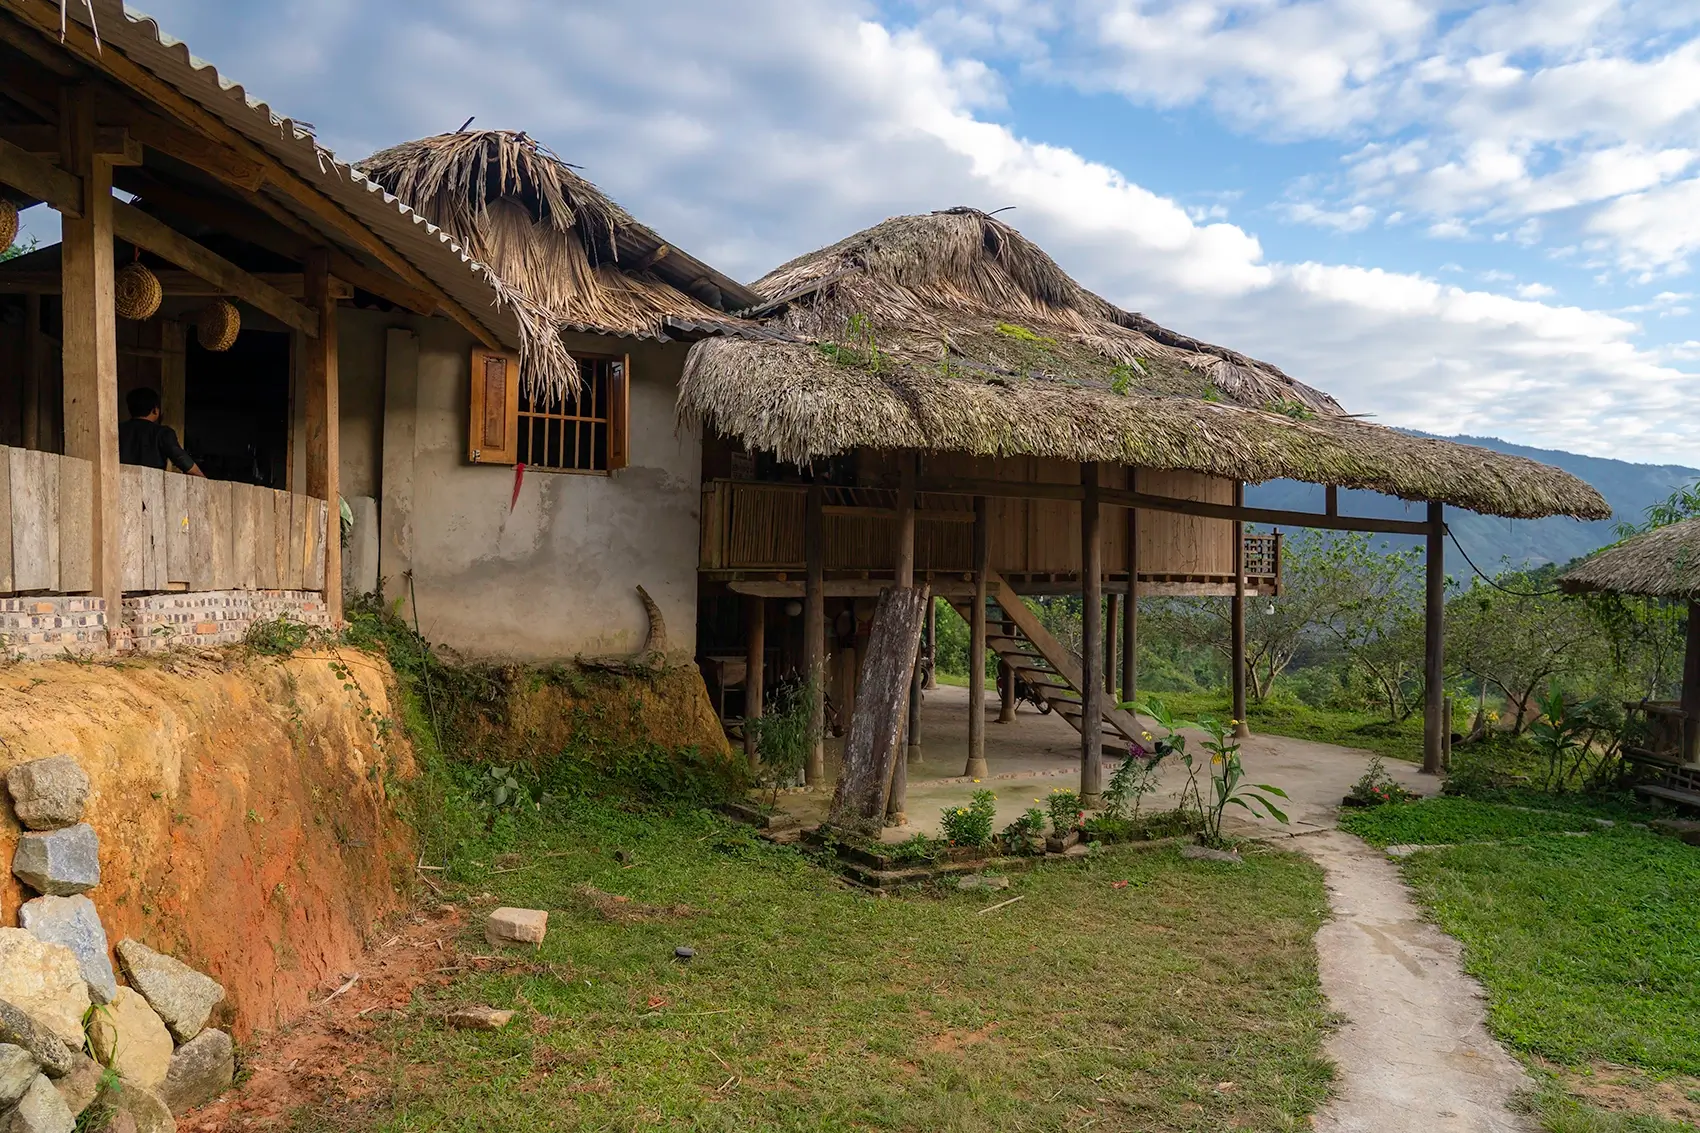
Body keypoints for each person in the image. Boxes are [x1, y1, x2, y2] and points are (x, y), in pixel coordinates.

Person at [119, 387, 205, 477]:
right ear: (155, 410)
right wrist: (202, 478)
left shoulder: (117, 429)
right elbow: (182, 460)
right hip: (152, 482)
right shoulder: (162, 433)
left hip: (119, 481)